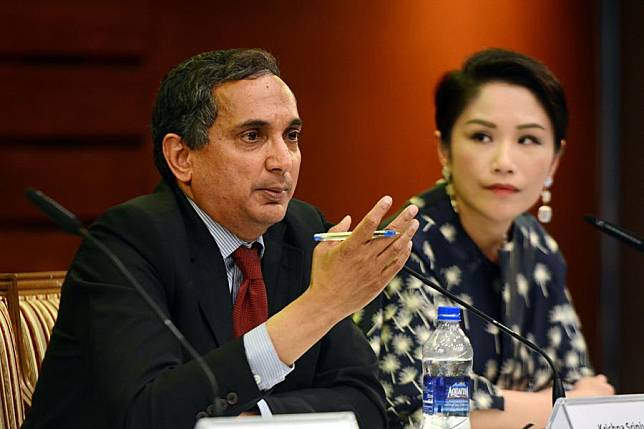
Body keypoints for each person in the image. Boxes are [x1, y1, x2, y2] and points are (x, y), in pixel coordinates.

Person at [22, 48, 419, 429]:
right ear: (182, 157)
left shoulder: (302, 230)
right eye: (252, 136)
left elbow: (365, 405)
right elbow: (146, 414)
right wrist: (321, 306)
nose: (282, 160)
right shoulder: (127, 242)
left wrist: (251, 421)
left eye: (292, 135)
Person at [355, 48, 614, 429]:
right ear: (444, 148)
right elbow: (423, 408)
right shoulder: (408, 243)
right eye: (482, 136)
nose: (504, 161)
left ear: (555, 160)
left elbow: (584, 390)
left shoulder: (539, 251)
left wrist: (559, 402)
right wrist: (553, 406)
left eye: (528, 140)